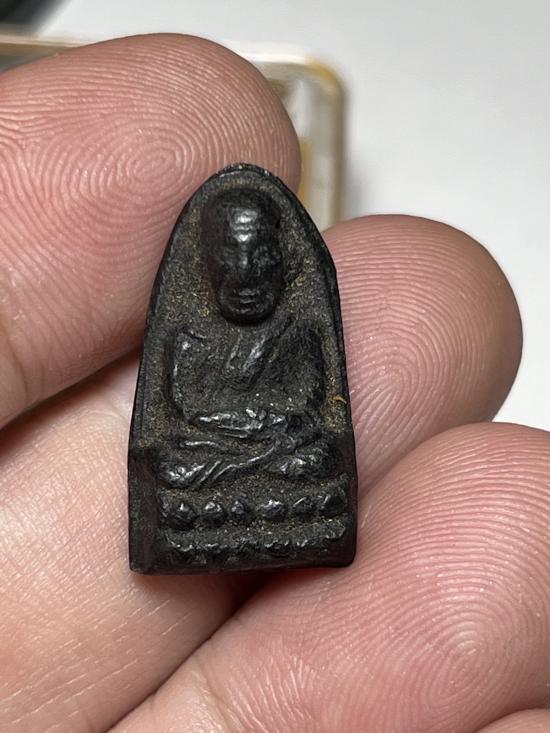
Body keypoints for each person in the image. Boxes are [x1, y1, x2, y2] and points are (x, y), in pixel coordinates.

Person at [0, 33, 547, 733]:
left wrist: (265, 436)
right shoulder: (191, 338)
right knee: (174, 466)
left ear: (282, 264)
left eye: (261, 259)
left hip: (276, 465)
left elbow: (310, 418)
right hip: (216, 466)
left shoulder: (297, 334)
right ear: (210, 266)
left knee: (315, 459)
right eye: (232, 261)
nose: (248, 275)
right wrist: (248, 436)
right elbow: (182, 422)